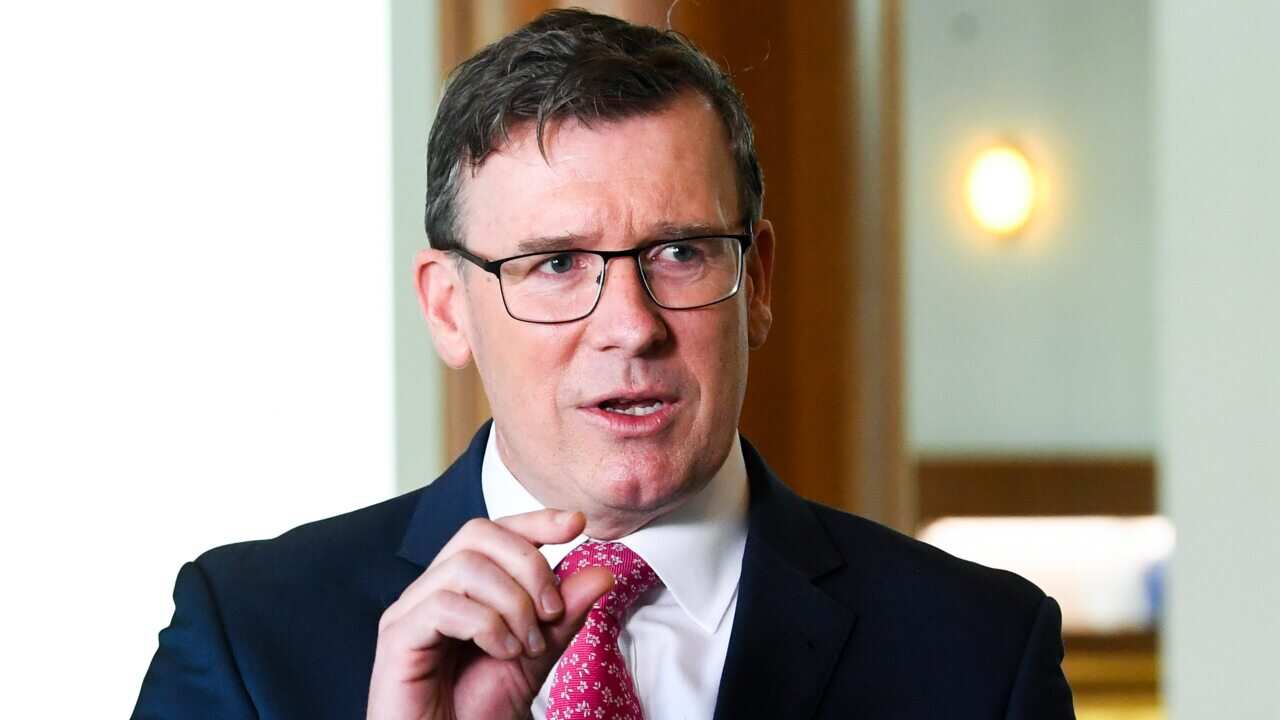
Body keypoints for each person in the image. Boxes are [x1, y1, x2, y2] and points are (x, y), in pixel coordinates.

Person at [133, 9, 1074, 719]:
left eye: (680, 251)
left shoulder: (981, 652)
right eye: (555, 263)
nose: (630, 326)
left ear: (758, 282)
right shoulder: (246, 634)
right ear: (448, 308)